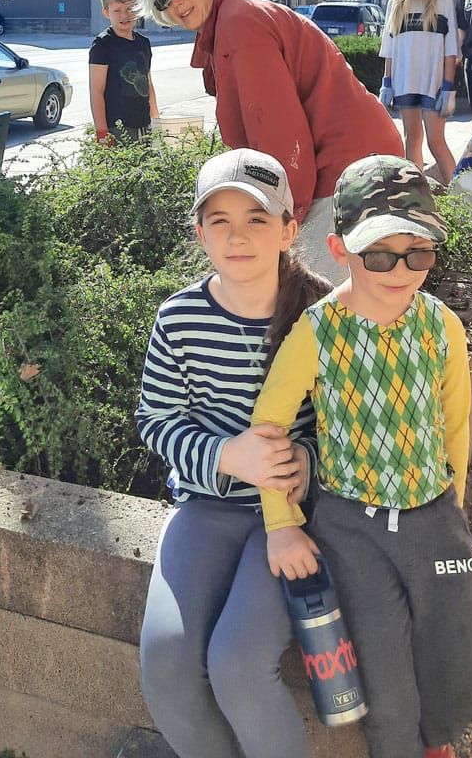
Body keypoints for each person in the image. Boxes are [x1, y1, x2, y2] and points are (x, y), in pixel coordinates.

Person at [252, 154, 472, 758]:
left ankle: (441, 738)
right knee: (382, 665)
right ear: (340, 248)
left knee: (456, 647)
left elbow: (454, 425)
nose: (400, 269)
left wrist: (452, 513)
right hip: (351, 528)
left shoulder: (442, 328)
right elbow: (269, 426)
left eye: (418, 253)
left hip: (433, 517)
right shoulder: (318, 331)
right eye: (380, 254)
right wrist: (281, 522)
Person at [137, 148, 331, 758]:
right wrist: (227, 456)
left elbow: (352, 426)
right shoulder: (180, 318)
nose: (238, 235)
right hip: (208, 509)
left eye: (256, 218)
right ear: (199, 233)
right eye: (219, 220)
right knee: (166, 664)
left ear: (289, 228)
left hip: (297, 521)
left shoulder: (325, 316)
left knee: (239, 665)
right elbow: (156, 420)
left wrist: (309, 463)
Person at [136, 0, 403, 282]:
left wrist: (284, 221)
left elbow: (281, 138)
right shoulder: (232, 21)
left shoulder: (239, 25)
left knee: (320, 304)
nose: (175, 3)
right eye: (163, 0)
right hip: (356, 161)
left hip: (343, 169)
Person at [378, 0, 459, 182]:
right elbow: (389, 47)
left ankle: (462, 200)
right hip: (404, 82)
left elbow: (451, 48)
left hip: (433, 84)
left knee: (436, 141)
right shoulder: (397, 1)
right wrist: (387, 83)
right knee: (412, 138)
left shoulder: (445, 2)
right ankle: (417, 196)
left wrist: (448, 88)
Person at [88, 0, 158, 142]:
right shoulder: (103, 45)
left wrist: (156, 119)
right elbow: (96, 91)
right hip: (117, 127)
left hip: (144, 123)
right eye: (117, 10)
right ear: (106, 12)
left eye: (130, 8)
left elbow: (147, 82)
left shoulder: (143, 43)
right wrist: (102, 132)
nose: (124, 15)